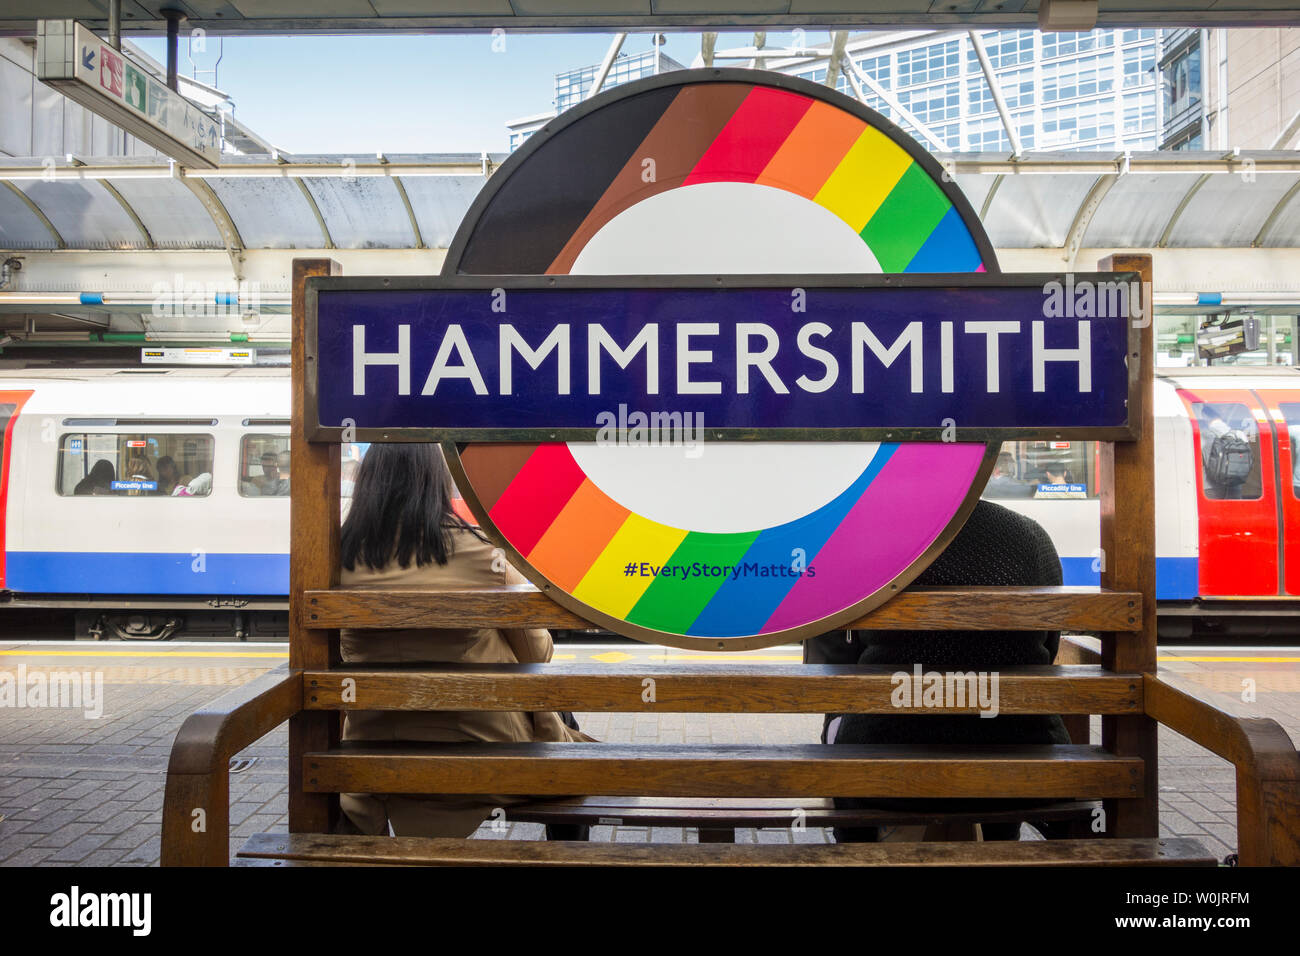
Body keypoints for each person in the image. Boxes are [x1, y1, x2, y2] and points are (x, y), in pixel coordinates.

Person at [336, 443, 593, 839]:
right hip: (487, 760)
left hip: (376, 763)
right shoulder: (479, 555)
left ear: (368, 483)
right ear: (435, 483)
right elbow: (538, 652)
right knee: (561, 717)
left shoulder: (337, 557)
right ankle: (567, 852)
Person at [806, 499, 1069, 843]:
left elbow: (832, 663)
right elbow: (1047, 648)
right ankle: (1001, 839)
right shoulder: (1030, 536)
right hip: (1023, 776)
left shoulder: (858, 536)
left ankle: (859, 846)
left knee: (841, 720)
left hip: (882, 777)